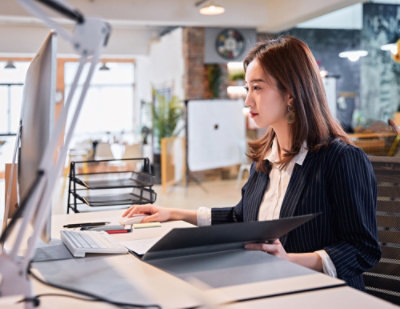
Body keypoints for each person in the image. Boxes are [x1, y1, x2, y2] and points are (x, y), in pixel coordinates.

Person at [123, 36, 381, 290]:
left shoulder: (342, 159)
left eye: (257, 88)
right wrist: (174, 213)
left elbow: (363, 248)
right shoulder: (265, 160)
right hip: (269, 289)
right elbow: (241, 218)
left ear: (291, 93)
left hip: (322, 295)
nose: (248, 101)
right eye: (248, 89)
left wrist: (290, 261)